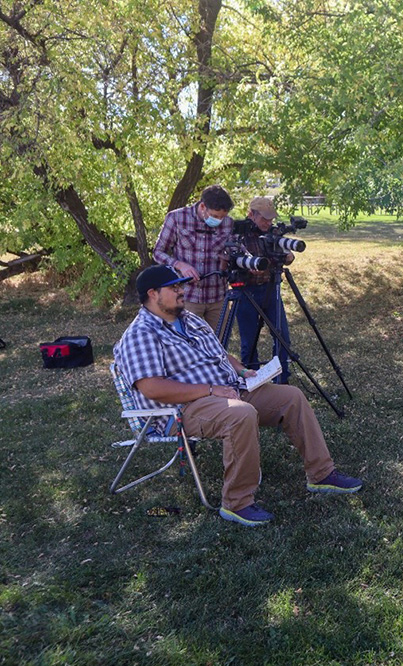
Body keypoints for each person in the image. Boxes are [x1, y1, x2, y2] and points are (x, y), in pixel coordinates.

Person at [113, 265, 364, 526]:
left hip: (228, 390)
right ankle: (236, 503)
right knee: (240, 414)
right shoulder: (141, 334)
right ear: (152, 294)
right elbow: (152, 388)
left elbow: (220, 355)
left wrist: (244, 371)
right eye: (174, 287)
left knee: (292, 397)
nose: (182, 291)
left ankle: (321, 475)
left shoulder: (188, 319)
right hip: (182, 410)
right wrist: (211, 390)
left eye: (181, 286)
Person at [153, 185, 236, 331]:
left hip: (218, 297)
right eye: (215, 216)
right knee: (186, 347)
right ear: (203, 206)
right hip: (186, 296)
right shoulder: (177, 218)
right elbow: (158, 252)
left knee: (219, 346)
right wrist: (180, 265)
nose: (219, 220)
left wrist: (228, 258)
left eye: (223, 217)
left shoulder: (229, 223)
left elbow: (235, 252)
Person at [231, 197, 293, 383]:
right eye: (264, 218)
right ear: (252, 214)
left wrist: (288, 256)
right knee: (249, 343)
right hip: (245, 291)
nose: (268, 222)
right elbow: (231, 260)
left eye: (271, 218)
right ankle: (253, 382)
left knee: (282, 337)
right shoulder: (239, 234)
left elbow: (286, 257)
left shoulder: (273, 233)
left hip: (270, 288)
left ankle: (282, 381)